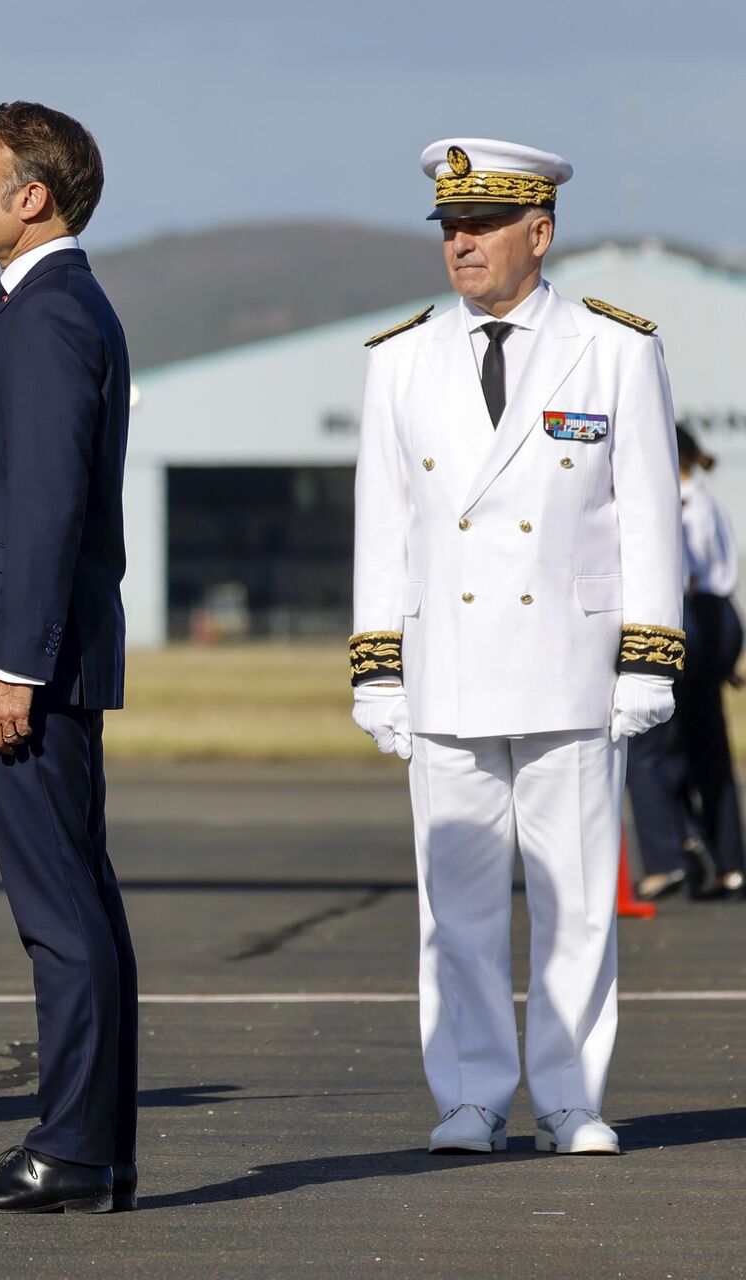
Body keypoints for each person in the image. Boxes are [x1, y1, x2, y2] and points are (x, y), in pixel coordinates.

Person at [351, 140, 684, 1157]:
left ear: (539, 233)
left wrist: (647, 656)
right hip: (446, 661)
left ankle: (574, 1093)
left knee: (578, 899)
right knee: (455, 906)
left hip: (569, 660)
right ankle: (471, 1091)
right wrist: (378, 668)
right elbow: (385, 522)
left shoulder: (614, 346)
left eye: (482, 226)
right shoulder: (399, 357)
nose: (461, 244)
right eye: (450, 228)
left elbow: (645, 519)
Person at [0, 102, 138, 1214]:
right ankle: (91, 1144)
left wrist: (17, 666)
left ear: (31, 196)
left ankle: (74, 1148)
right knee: (73, 903)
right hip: (25, 655)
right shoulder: (33, 302)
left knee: (61, 913)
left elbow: (48, 507)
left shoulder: (50, 313)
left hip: (25, 667)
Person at [629, 426, 746, 899]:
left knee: (648, 742)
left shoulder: (672, 502)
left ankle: (670, 852)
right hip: (719, 619)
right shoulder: (704, 498)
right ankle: (728, 861)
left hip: (685, 618)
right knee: (707, 745)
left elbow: (678, 577)